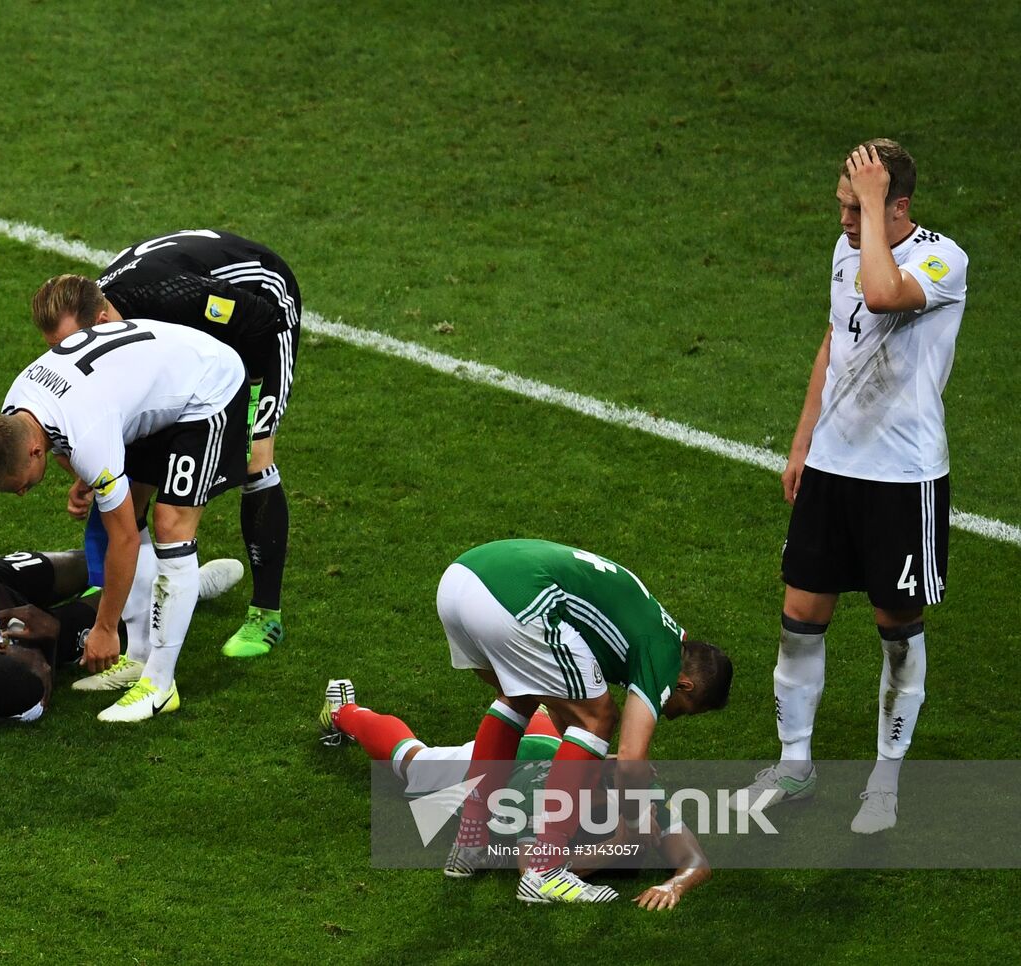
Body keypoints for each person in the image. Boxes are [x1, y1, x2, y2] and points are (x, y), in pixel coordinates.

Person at [735, 140, 967, 836]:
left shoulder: (942, 257)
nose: (842, 216)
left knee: (896, 631)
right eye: (840, 203)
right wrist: (804, 440)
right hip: (834, 472)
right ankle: (795, 764)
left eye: (855, 202)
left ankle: (885, 781)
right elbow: (835, 340)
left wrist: (870, 211)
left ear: (899, 205)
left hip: (902, 480)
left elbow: (882, 293)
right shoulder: (848, 246)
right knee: (799, 620)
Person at [31, 228, 301, 658]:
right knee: (134, 477)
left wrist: (244, 413)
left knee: (255, 459)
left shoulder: (166, 296)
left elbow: (257, 323)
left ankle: (265, 616)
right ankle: (167, 593)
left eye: (71, 346)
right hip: (197, 339)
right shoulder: (98, 317)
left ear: (101, 323)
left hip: (261, 311)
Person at [0, 319, 249, 722]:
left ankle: (159, 685)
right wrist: (83, 474)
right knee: (128, 504)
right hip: (157, 382)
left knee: (170, 526)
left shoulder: (88, 434)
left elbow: (125, 541)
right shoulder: (18, 406)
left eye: (19, 486)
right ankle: (137, 659)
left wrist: (104, 627)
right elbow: (65, 435)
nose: (23, 493)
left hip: (209, 387)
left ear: (32, 453)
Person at [429, 539, 732, 904]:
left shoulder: (649, 629)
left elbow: (560, 707)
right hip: (513, 597)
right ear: (686, 685)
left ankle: (470, 843)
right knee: (600, 716)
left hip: (462, 579)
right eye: (685, 707)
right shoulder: (663, 656)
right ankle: (546, 871)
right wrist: (634, 827)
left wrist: (591, 760)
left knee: (520, 698)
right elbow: (632, 758)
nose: (674, 714)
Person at [318, 681, 712, 911]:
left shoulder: (641, 788)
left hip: (556, 737)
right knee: (412, 762)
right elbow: (532, 873)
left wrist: (674, 885)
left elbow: (695, 860)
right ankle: (342, 712)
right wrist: (618, 848)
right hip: (513, 759)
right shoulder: (542, 791)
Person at [0, 551, 243, 722]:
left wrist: (24, 610)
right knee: (106, 620)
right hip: (9, 633)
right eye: (47, 677)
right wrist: (48, 641)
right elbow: (40, 694)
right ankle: (189, 589)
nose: (50, 675)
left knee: (83, 565)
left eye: (41, 667)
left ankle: (123, 564)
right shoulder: (10, 705)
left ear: (4, 648)